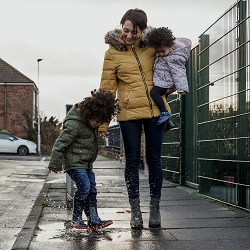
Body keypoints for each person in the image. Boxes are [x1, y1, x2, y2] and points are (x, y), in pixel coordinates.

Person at [99, 8, 173, 229]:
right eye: (126, 30)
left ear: (143, 31)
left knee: (154, 160)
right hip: (128, 113)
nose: (130, 36)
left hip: (155, 112)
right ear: (121, 27)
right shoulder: (112, 53)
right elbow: (106, 90)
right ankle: (135, 211)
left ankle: (155, 209)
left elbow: (173, 63)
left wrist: (169, 88)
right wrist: (103, 123)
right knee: (132, 161)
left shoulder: (152, 45)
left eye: (135, 32)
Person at [48, 89, 118, 230]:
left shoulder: (89, 123)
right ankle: (76, 219)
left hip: (86, 164)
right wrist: (55, 163)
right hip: (74, 163)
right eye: (97, 121)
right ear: (89, 114)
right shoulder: (75, 124)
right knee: (85, 188)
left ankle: (93, 219)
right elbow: (59, 144)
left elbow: (86, 140)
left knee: (92, 190)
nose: (98, 124)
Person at [147, 27, 192, 125]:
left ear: (171, 46)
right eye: (158, 52)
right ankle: (167, 122)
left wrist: (182, 88)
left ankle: (165, 113)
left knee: (154, 93)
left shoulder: (174, 57)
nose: (160, 54)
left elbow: (179, 72)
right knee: (163, 100)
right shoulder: (167, 53)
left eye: (163, 51)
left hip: (165, 82)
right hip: (163, 80)